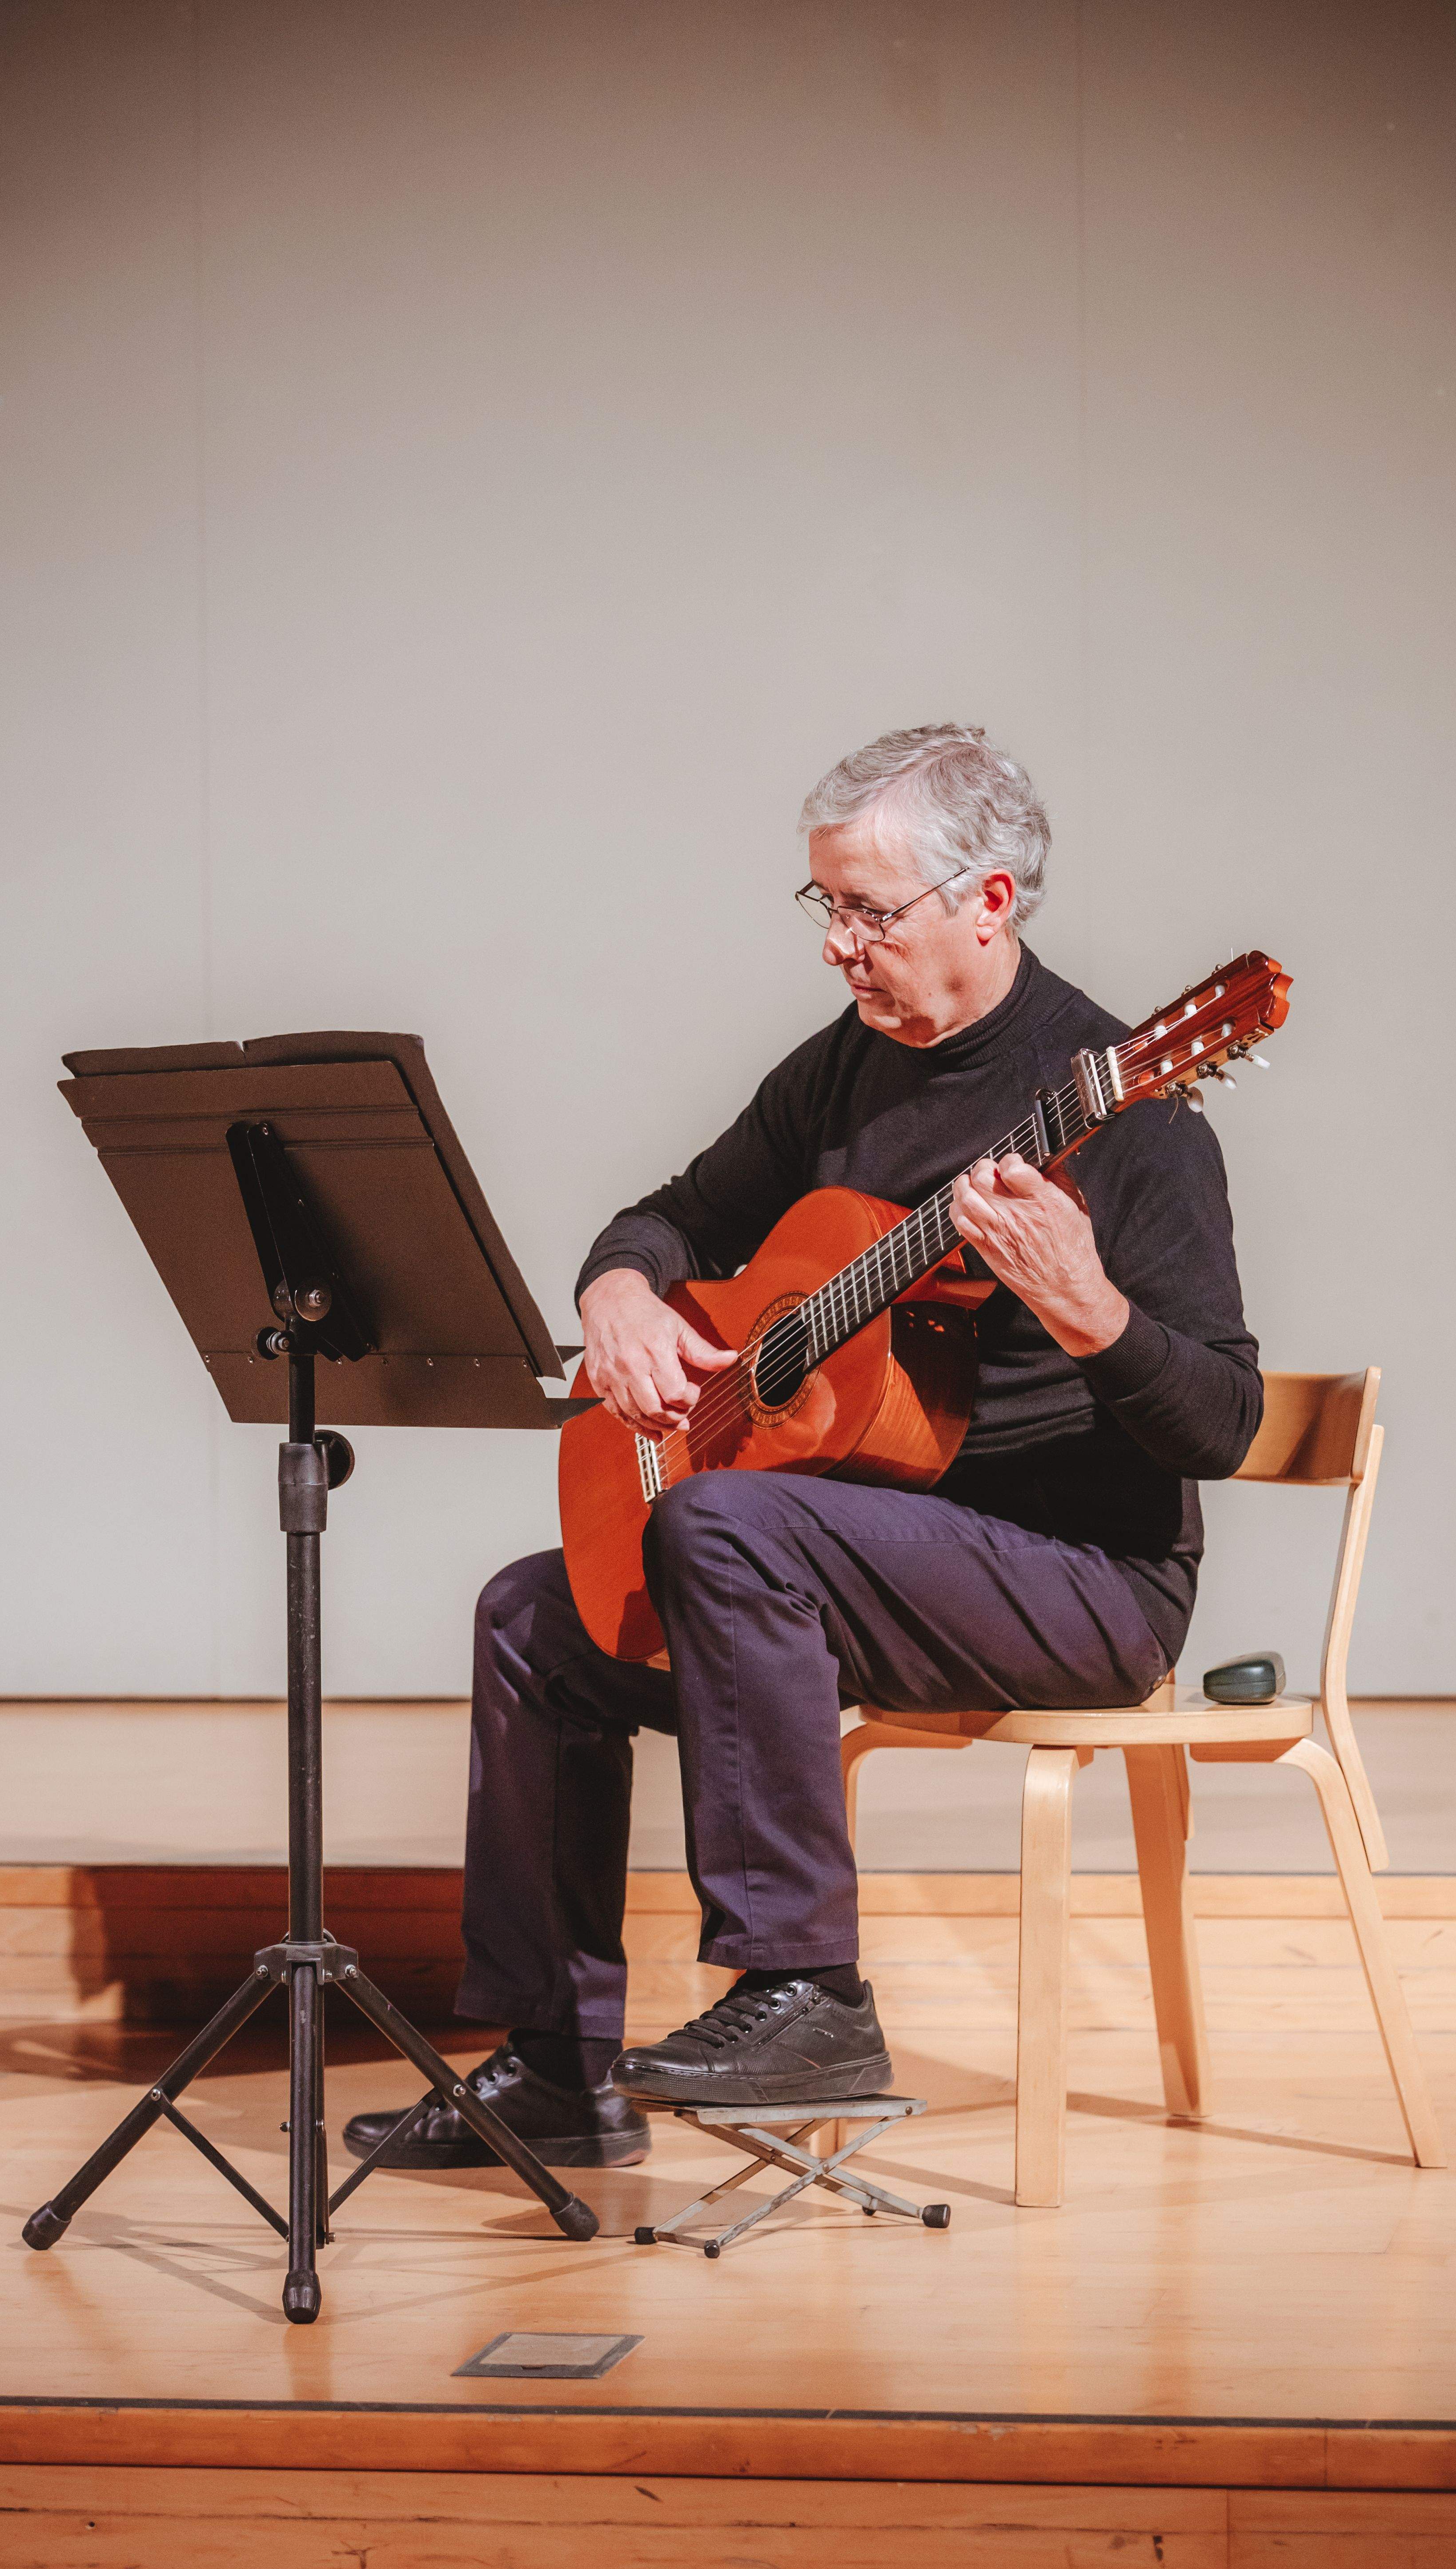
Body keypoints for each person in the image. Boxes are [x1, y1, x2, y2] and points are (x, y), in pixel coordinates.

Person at [345, 723, 1260, 2171]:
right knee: (533, 1615)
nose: (838, 944)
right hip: (851, 1551)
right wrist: (619, 1293)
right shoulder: (847, 1070)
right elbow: (668, 1215)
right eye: (824, 905)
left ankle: (807, 1993)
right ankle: (554, 2069)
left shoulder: (1129, 1116)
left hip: (1083, 1574)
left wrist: (1090, 1308)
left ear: (989, 900)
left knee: (723, 1527)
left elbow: (1223, 1421)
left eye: (869, 911)